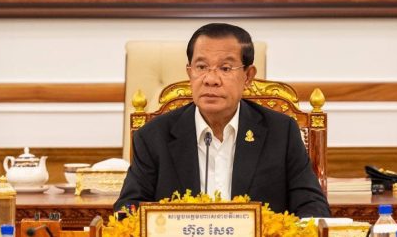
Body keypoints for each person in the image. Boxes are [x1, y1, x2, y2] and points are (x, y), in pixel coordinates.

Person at [114, 23, 330, 217]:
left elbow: (312, 206)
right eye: (201, 67)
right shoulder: (153, 136)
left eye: (225, 68)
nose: (211, 79)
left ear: (248, 76)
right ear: (189, 72)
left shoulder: (281, 132)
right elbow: (128, 207)